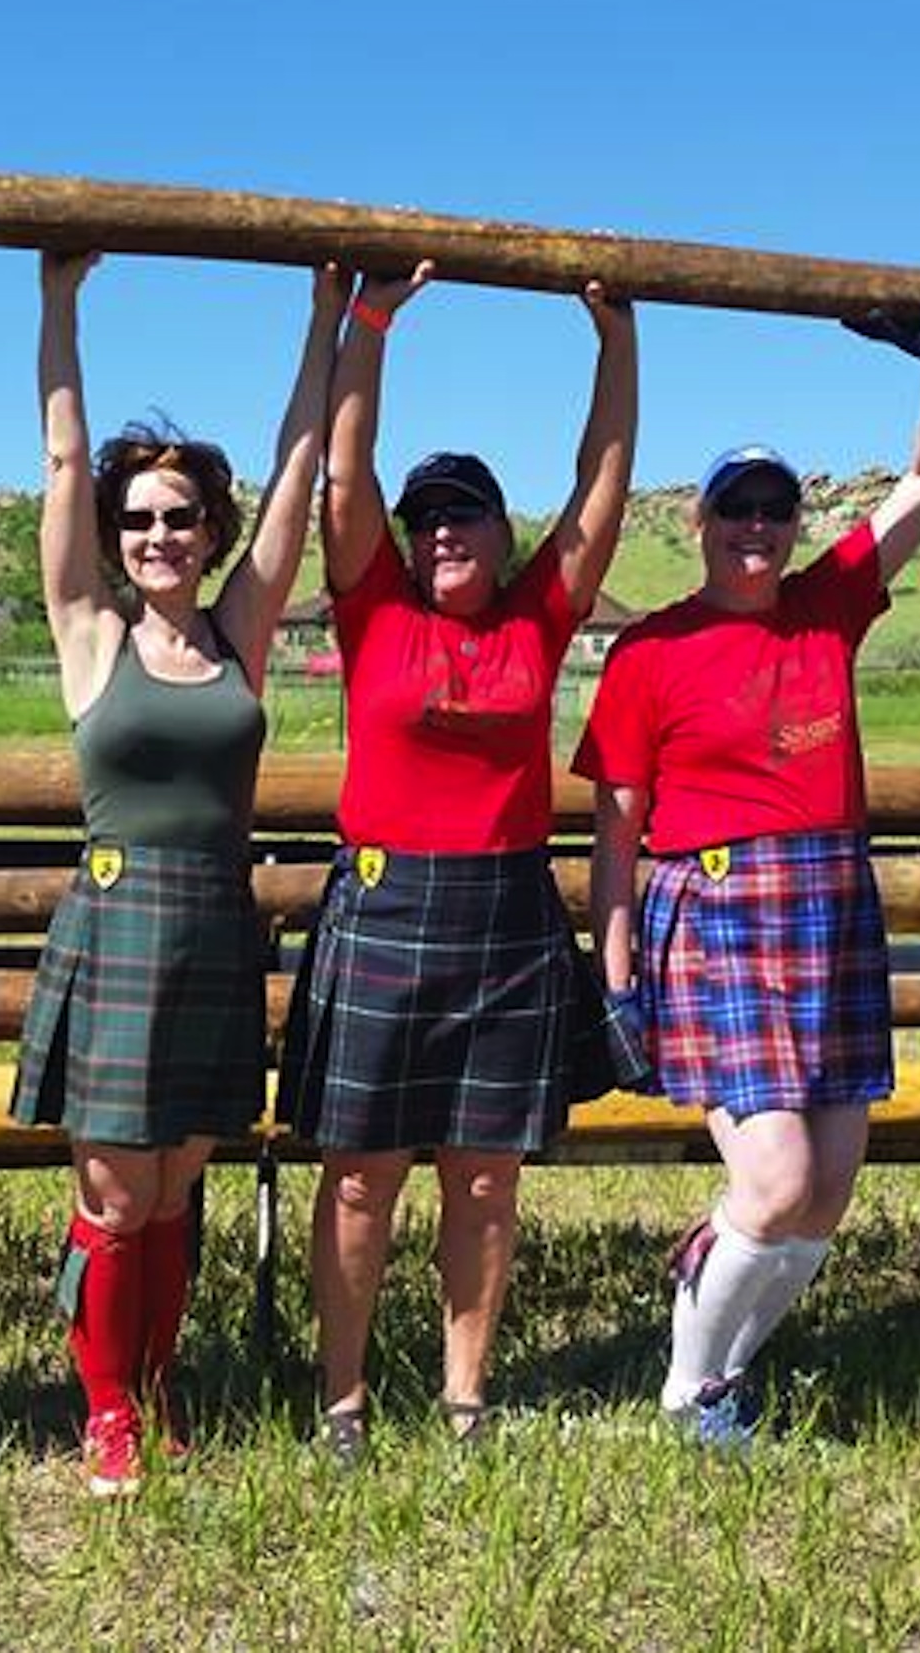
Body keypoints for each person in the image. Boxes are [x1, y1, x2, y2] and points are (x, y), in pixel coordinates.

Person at [574, 305, 920, 1446]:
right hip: (713, 911)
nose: (756, 526)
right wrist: (616, 982)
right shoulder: (649, 650)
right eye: (735, 508)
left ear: (795, 524)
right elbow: (614, 835)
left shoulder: (829, 603)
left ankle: (729, 1367)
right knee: (775, 1178)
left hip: (828, 905)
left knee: (827, 1190)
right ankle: (687, 1391)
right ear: (697, 522)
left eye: (774, 507)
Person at [278, 264, 639, 1462]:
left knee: (485, 1180)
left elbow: (601, 488)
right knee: (363, 1176)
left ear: (500, 532)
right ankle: (342, 1400)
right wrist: (369, 324)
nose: (440, 529)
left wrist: (613, 340)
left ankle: (465, 1394)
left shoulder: (537, 614)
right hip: (385, 906)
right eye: (426, 513)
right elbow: (347, 470)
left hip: (505, 913)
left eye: (464, 513)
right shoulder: (372, 602)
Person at [12, 253, 347, 1495]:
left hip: (212, 923)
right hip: (116, 921)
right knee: (112, 1186)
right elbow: (60, 464)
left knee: (174, 1184)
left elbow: (301, 475)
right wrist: (59, 303)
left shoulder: (237, 630)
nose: (158, 535)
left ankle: (157, 1392)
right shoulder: (89, 634)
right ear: (116, 537)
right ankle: (105, 1413)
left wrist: (331, 320)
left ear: (210, 532)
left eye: (181, 517)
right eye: (138, 519)